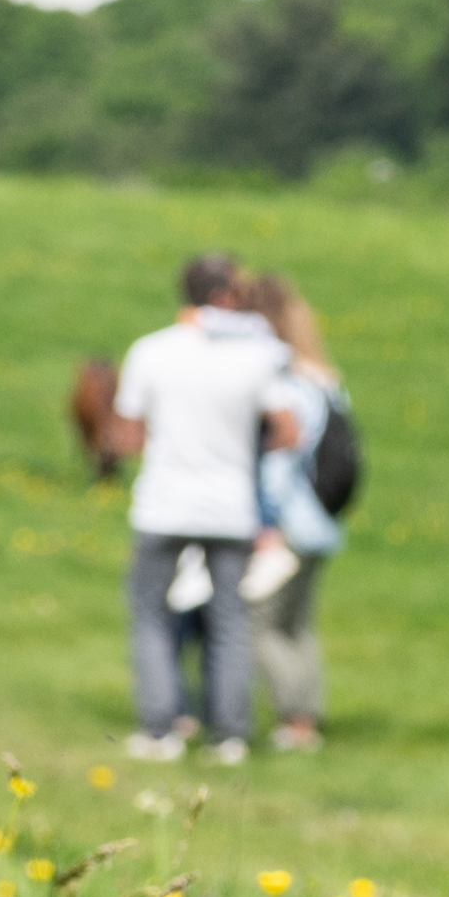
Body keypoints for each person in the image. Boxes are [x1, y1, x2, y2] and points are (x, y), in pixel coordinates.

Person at [114, 252, 302, 760]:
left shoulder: (150, 351)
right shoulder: (254, 357)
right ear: (223, 295)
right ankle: (231, 735)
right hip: (229, 506)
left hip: (163, 504)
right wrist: (242, 452)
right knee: (229, 622)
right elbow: (288, 430)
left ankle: (159, 730)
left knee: (151, 615)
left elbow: (128, 435)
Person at [231, 268, 349, 754]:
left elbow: (279, 464)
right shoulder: (325, 381)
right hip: (323, 522)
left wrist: (267, 524)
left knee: (261, 623)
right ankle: (309, 718)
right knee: (298, 624)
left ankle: (293, 720)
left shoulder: (283, 386)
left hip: (289, 524)